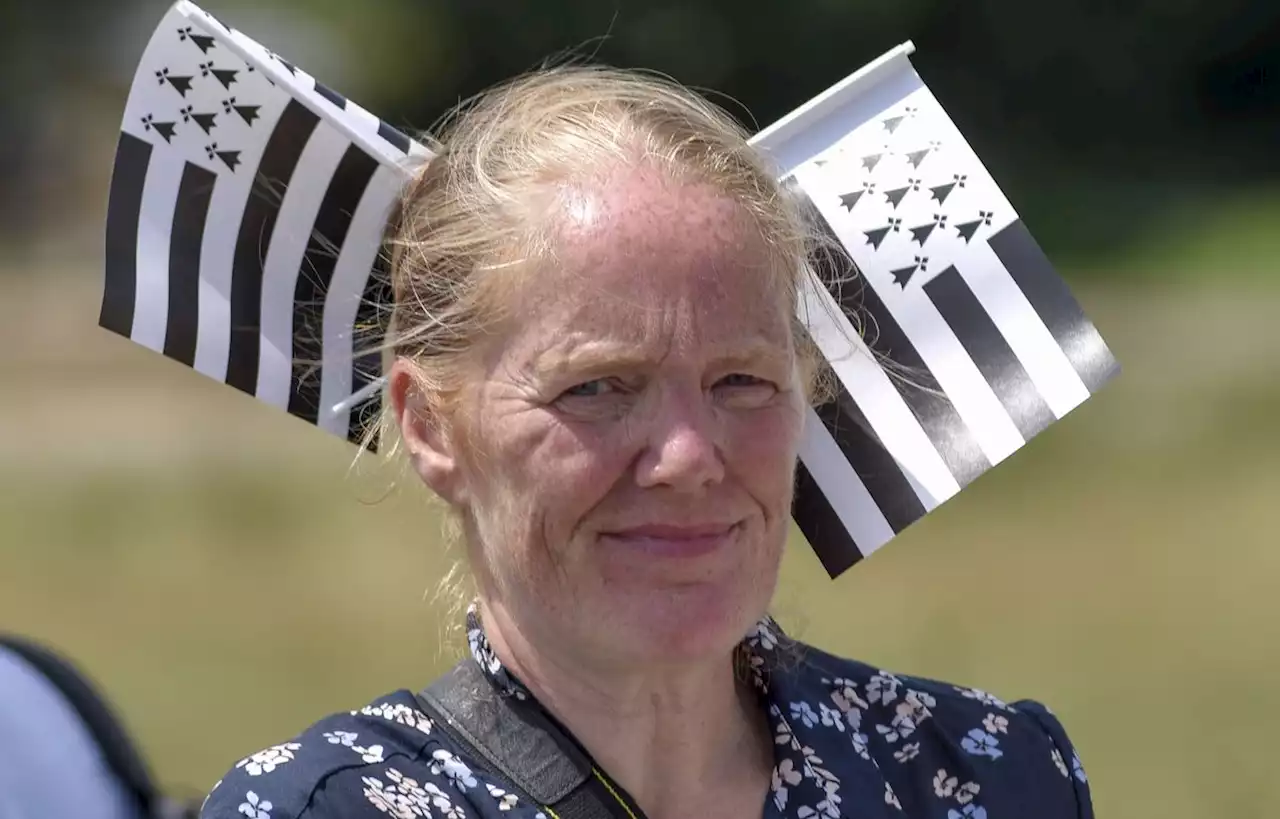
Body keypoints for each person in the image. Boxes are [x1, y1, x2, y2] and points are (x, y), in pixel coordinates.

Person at [199, 65, 1094, 819]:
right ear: (432, 428)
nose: (688, 456)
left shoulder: (985, 781)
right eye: (596, 388)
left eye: (740, 380)